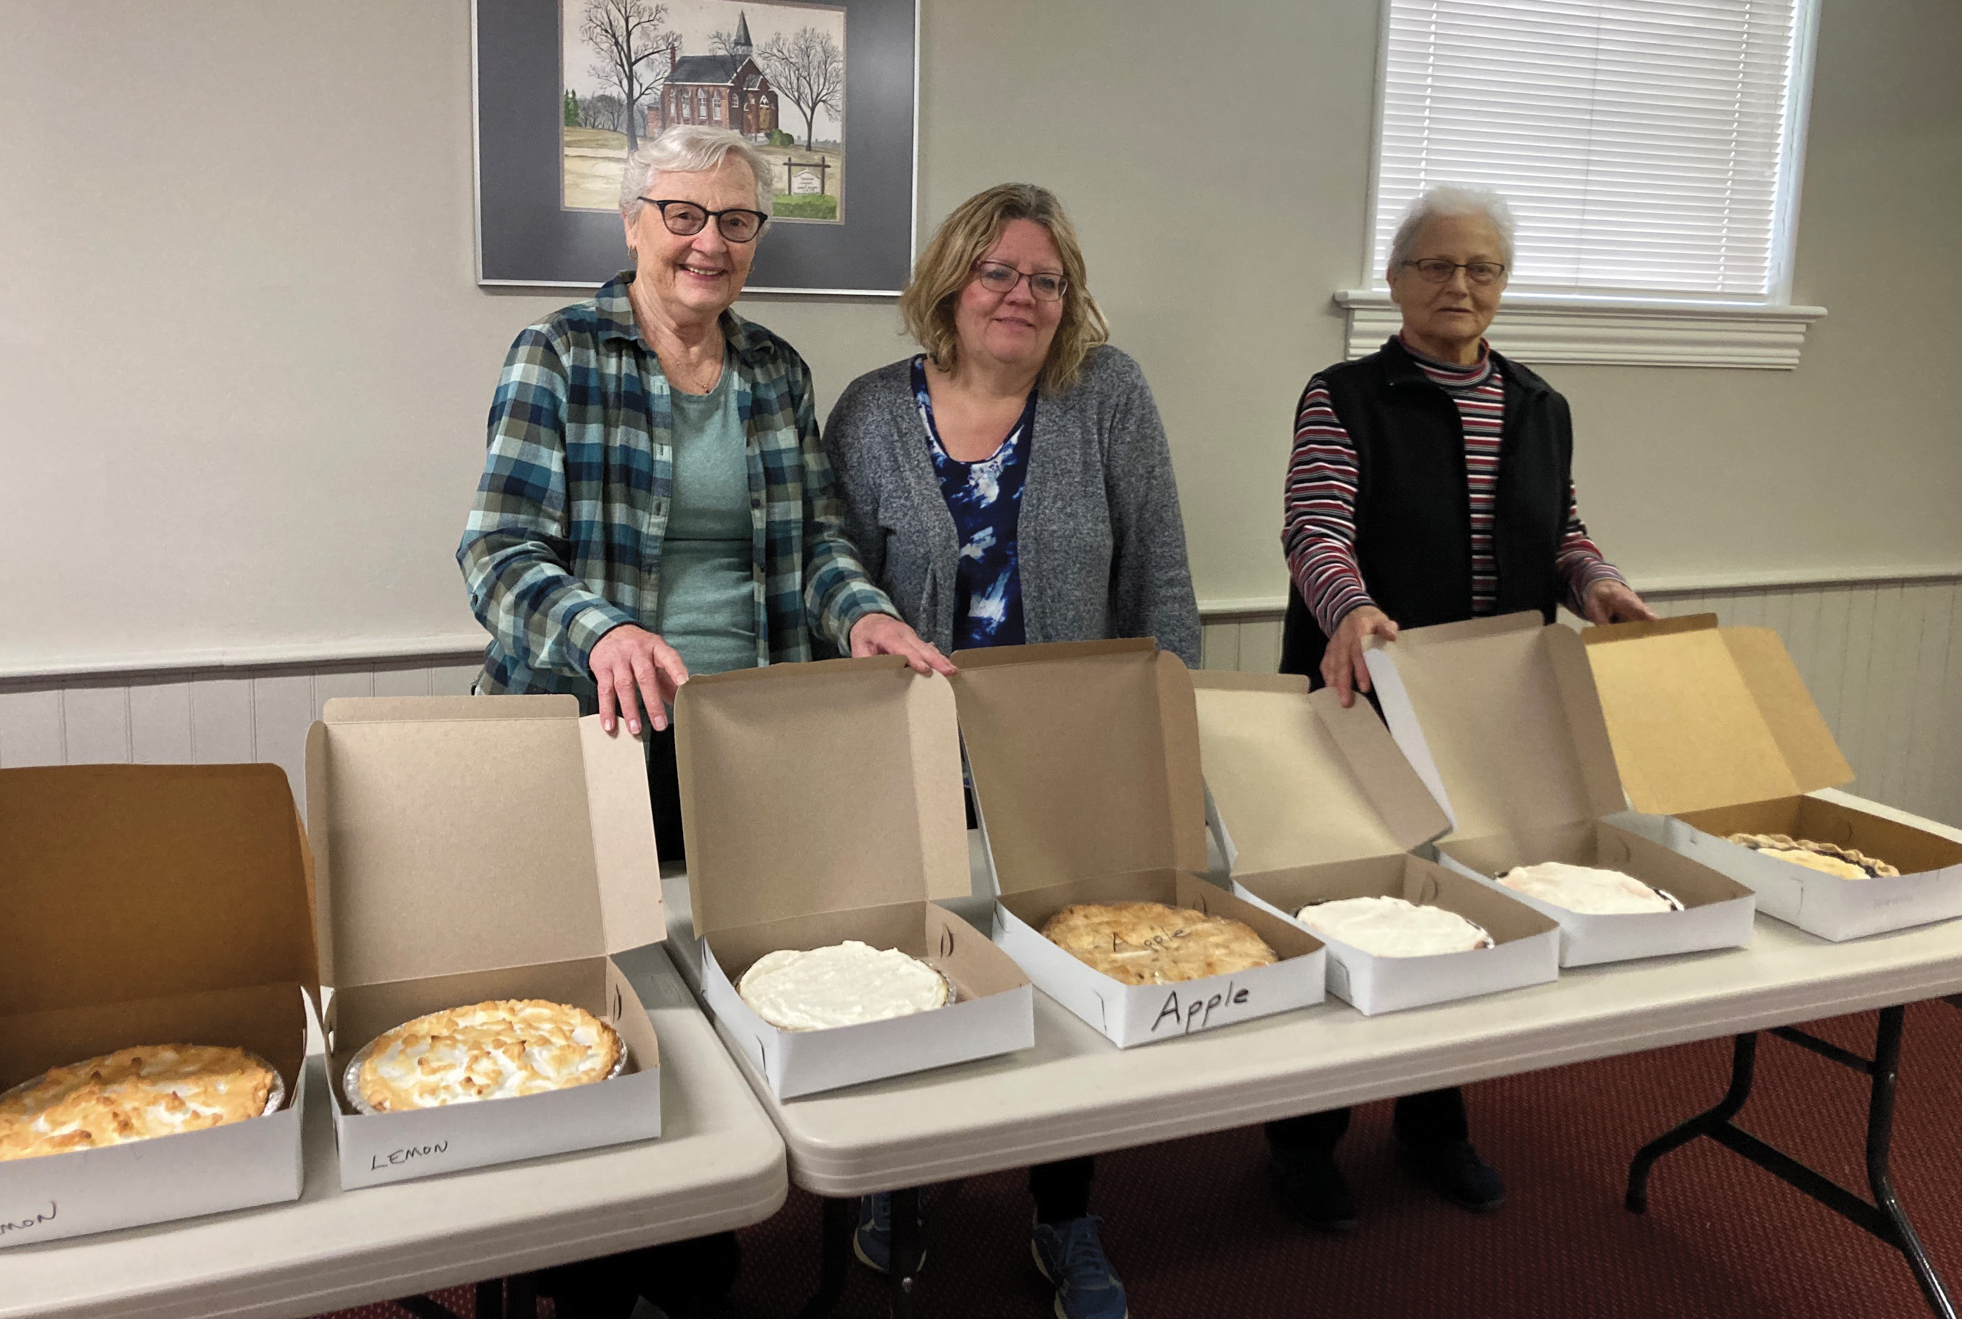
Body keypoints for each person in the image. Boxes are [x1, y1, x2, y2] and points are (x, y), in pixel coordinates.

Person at [457, 124, 949, 1318]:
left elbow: (817, 544)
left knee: (729, 998)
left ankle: (693, 1255)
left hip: (743, 740)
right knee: (604, 1008)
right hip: (591, 736)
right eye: (681, 215)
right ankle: (588, 1269)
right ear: (632, 222)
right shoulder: (559, 352)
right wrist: (602, 632)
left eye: (733, 221)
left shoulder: (774, 370)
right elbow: (496, 551)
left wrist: (865, 616)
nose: (706, 243)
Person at [826, 182, 1198, 1319]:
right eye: (996, 272)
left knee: (1074, 979)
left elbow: (1160, 573)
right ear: (951, 284)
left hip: (1068, 755)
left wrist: (1172, 733)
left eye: (1046, 279)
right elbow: (828, 578)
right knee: (920, 971)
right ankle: (900, 1178)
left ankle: (1065, 1212)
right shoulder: (870, 412)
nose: (1020, 296)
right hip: (908, 759)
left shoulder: (1107, 395)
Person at [1267, 184, 1655, 1232]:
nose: (1459, 285)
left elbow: (1561, 533)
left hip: (1490, 707)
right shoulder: (1344, 396)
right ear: (1395, 280)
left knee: (1466, 908)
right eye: (1435, 265)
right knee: (1344, 907)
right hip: (1363, 694)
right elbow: (1314, 528)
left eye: (1482, 268)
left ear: (1502, 285)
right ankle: (1303, 1140)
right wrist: (1350, 611)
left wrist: (1599, 586)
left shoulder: (1539, 406)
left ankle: (1434, 1123)